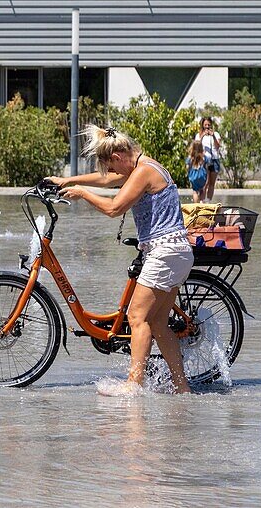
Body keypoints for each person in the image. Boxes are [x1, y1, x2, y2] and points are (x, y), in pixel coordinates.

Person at [47, 125, 194, 396]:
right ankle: (181, 387)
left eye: (111, 166)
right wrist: (67, 180)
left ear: (117, 156)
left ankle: (134, 384)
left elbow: (114, 208)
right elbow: (106, 180)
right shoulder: (143, 166)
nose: (112, 174)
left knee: (137, 317)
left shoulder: (143, 172)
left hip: (165, 253)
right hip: (175, 252)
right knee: (159, 324)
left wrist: (81, 193)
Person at [198, 117, 224, 201]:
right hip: (204, 160)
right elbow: (197, 146)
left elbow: (217, 146)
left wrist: (213, 136)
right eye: (205, 125)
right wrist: (202, 136)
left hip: (214, 159)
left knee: (212, 183)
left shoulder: (216, 134)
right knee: (205, 183)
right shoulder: (199, 135)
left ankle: (208, 201)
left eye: (209, 125)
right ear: (202, 125)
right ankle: (202, 201)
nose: (207, 126)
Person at [186, 139, 208, 203]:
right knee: (202, 190)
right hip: (202, 176)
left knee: (195, 191)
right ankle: (201, 203)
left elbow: (187, 167)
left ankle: (196, 205)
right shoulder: (204, 157)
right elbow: (207, 168)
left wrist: (189, 174)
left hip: (193, 176)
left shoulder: (190, 157)